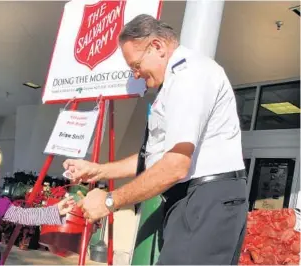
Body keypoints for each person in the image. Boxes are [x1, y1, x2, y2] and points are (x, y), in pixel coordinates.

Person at [63, 14, 248, 264]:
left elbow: (174, 166)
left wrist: (109, 201)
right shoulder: (174, 81)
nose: (136, 75)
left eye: (136, 66)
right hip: (194, 199)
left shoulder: (189, 76)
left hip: (206, 199)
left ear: (158, 47)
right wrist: (98, 171)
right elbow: (153, 159)